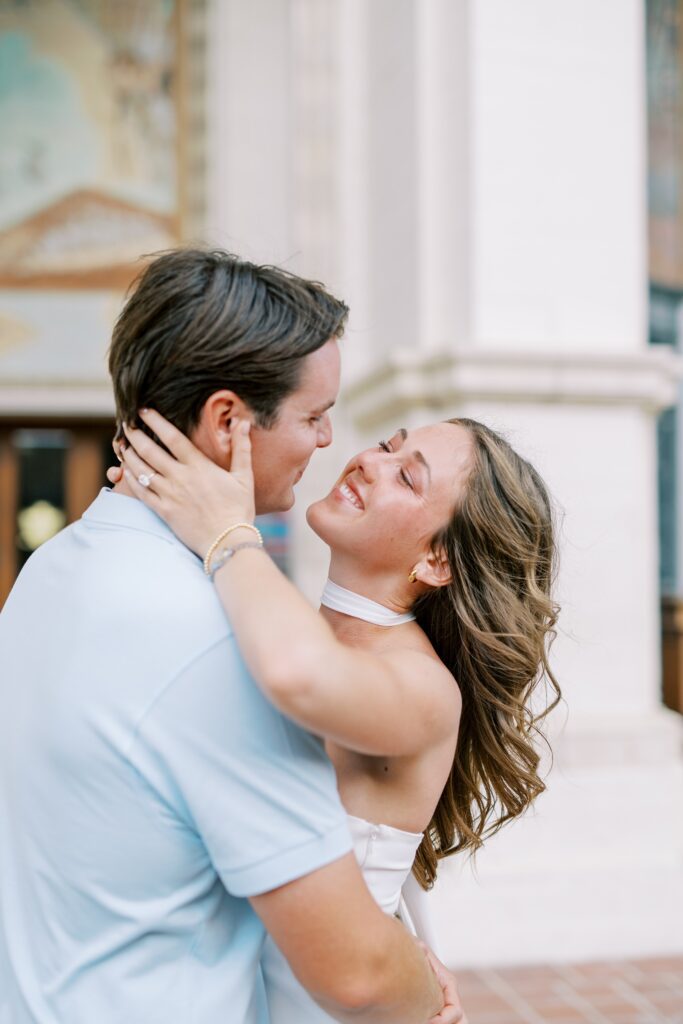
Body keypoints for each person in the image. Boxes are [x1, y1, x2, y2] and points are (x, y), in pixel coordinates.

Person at [0, 249, 462, 1024]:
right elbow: (356, 974)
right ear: (227, 423)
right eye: (313, 416)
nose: (331, 443)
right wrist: (424, 993)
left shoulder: (51, 569)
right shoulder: (220, 648)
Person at [111, 398, 561, 1024]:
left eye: (408, 476)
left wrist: (227, 528)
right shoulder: (291, 631)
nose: (370, 462)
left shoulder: (425, 688)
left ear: (437, 562)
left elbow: (298, 678)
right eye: (388, 445)